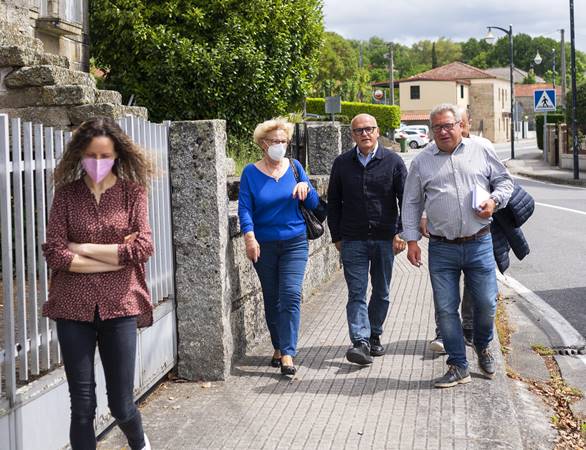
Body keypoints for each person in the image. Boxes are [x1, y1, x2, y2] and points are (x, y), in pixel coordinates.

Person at [42, 117, 154, 449]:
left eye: (106, 156)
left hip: (120, 307)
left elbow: (143, 247)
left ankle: (140, 444)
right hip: (71, 308)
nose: (98, 163)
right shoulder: (65, 197)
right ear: (80, 155)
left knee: (121, 404)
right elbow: (55, 254)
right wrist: (118, 255)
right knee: (82, 406)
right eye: (92, 155)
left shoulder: (133, 194)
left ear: (117, 155)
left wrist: (83, 249)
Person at [402, 103, 513, 388]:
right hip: (441, 248)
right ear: (431, 131)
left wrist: (494, 202)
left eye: (448, 125)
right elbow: (412, 202)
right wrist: (411, 240)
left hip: (479, 243)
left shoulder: (481, 150)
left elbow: (504, 181)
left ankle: (484, 346)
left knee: (487, 303)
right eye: (437, 127)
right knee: (446, 309)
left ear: (459, 126)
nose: (443, 131)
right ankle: (458, 364)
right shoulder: (421, 161)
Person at [238, 117, 320, 376]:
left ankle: (287, 353)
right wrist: (249, 237)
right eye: (275, 141)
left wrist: (306, 187)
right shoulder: (251, 172)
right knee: (272, 298)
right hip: (264, 244)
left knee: (291, 294)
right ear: (263, 143)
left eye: (284, 141)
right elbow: (245, 208)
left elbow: (316, 205)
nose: (281, 146)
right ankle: (278, 345)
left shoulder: (295, 167)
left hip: (295, 240)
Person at [327, 113, 407, 366]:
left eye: (369, 129)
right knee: (357, 292)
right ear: (352, 135)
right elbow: (334, 203)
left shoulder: (393, 161)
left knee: (382, 292)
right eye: (359, 130)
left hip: (385, 238)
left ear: (377, 131)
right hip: (352, 239)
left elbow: (407, 200)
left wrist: (402, 232)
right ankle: (360, 342)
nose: (365, 134)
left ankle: (374, 334)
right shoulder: (341, 163)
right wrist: (337, 236)